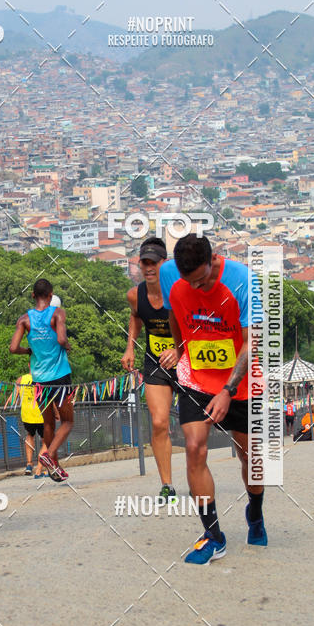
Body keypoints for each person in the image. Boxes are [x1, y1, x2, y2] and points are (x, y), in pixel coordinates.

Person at [159, 233, 266, 565]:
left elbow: (251, 345)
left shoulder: (242, 279)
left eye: (204, 282)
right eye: (192, 284)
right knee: (194, 447)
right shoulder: (169, 275)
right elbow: (175, 313)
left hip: (241, 381)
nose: (200, 290)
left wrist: (228, 391)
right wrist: (180, 349)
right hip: (197, 377)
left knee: (251, 459)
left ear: (214, 259)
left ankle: (256, 512)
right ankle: (214, 536)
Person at [122, 237, 178, 502]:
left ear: (164, 264)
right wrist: (130, 347)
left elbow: (197, 324)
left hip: (187, 362)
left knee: (197, 427)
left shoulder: (179, 292)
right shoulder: (135, 295)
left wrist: (179, 350)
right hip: (155, 362)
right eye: (144, 262)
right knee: (158, 422)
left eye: (153, 262)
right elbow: (135, 317)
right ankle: (167, 484)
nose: (148, 267)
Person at [9, 279, 73, 482]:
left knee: (48, 425)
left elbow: (12, 348)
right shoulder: (57, 313)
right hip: (60, 376)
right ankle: (47, 454)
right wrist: (68, 346)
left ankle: (55, 467)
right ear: (51, 294)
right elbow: (62, 339)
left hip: (39, 380)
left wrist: (27, 350)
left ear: (32, 295)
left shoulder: (24, 320)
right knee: (68, 421)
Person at [17, 369, 48, 477]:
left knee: (30, 435)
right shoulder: (43, 377)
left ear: (29, 365)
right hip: (41, 414)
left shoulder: (21, 379)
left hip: (27, 414)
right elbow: (48, 397)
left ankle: (29, 464)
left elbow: (14, 397)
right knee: (46, 441)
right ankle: (39, 468)